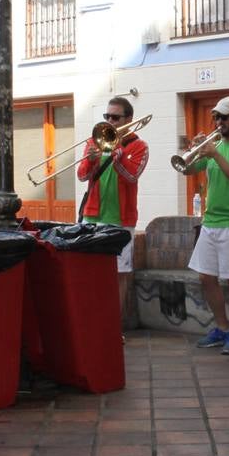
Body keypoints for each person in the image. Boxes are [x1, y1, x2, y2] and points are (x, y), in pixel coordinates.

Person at [181, 97, 229, 356]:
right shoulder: (212, 147)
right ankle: (222, 327)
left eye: (224, 117)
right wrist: (193, 150)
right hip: (211, 221)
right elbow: (187, 170)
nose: (218, 122)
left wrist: (215, 153)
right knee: (205, 276)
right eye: (216, 117)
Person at [77, 96, 149, 318]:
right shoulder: (94, 142)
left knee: (120, 274)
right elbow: (82, 176)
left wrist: (119, 158)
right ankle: (93, 321)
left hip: (121, 219)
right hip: (93, 216)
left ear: (128, 119)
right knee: (91, 272)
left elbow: (131, 176)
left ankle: (113, 326)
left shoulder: (139, 146)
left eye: (115, 117)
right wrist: (90, 160)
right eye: (107, 116)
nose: (110, 121)